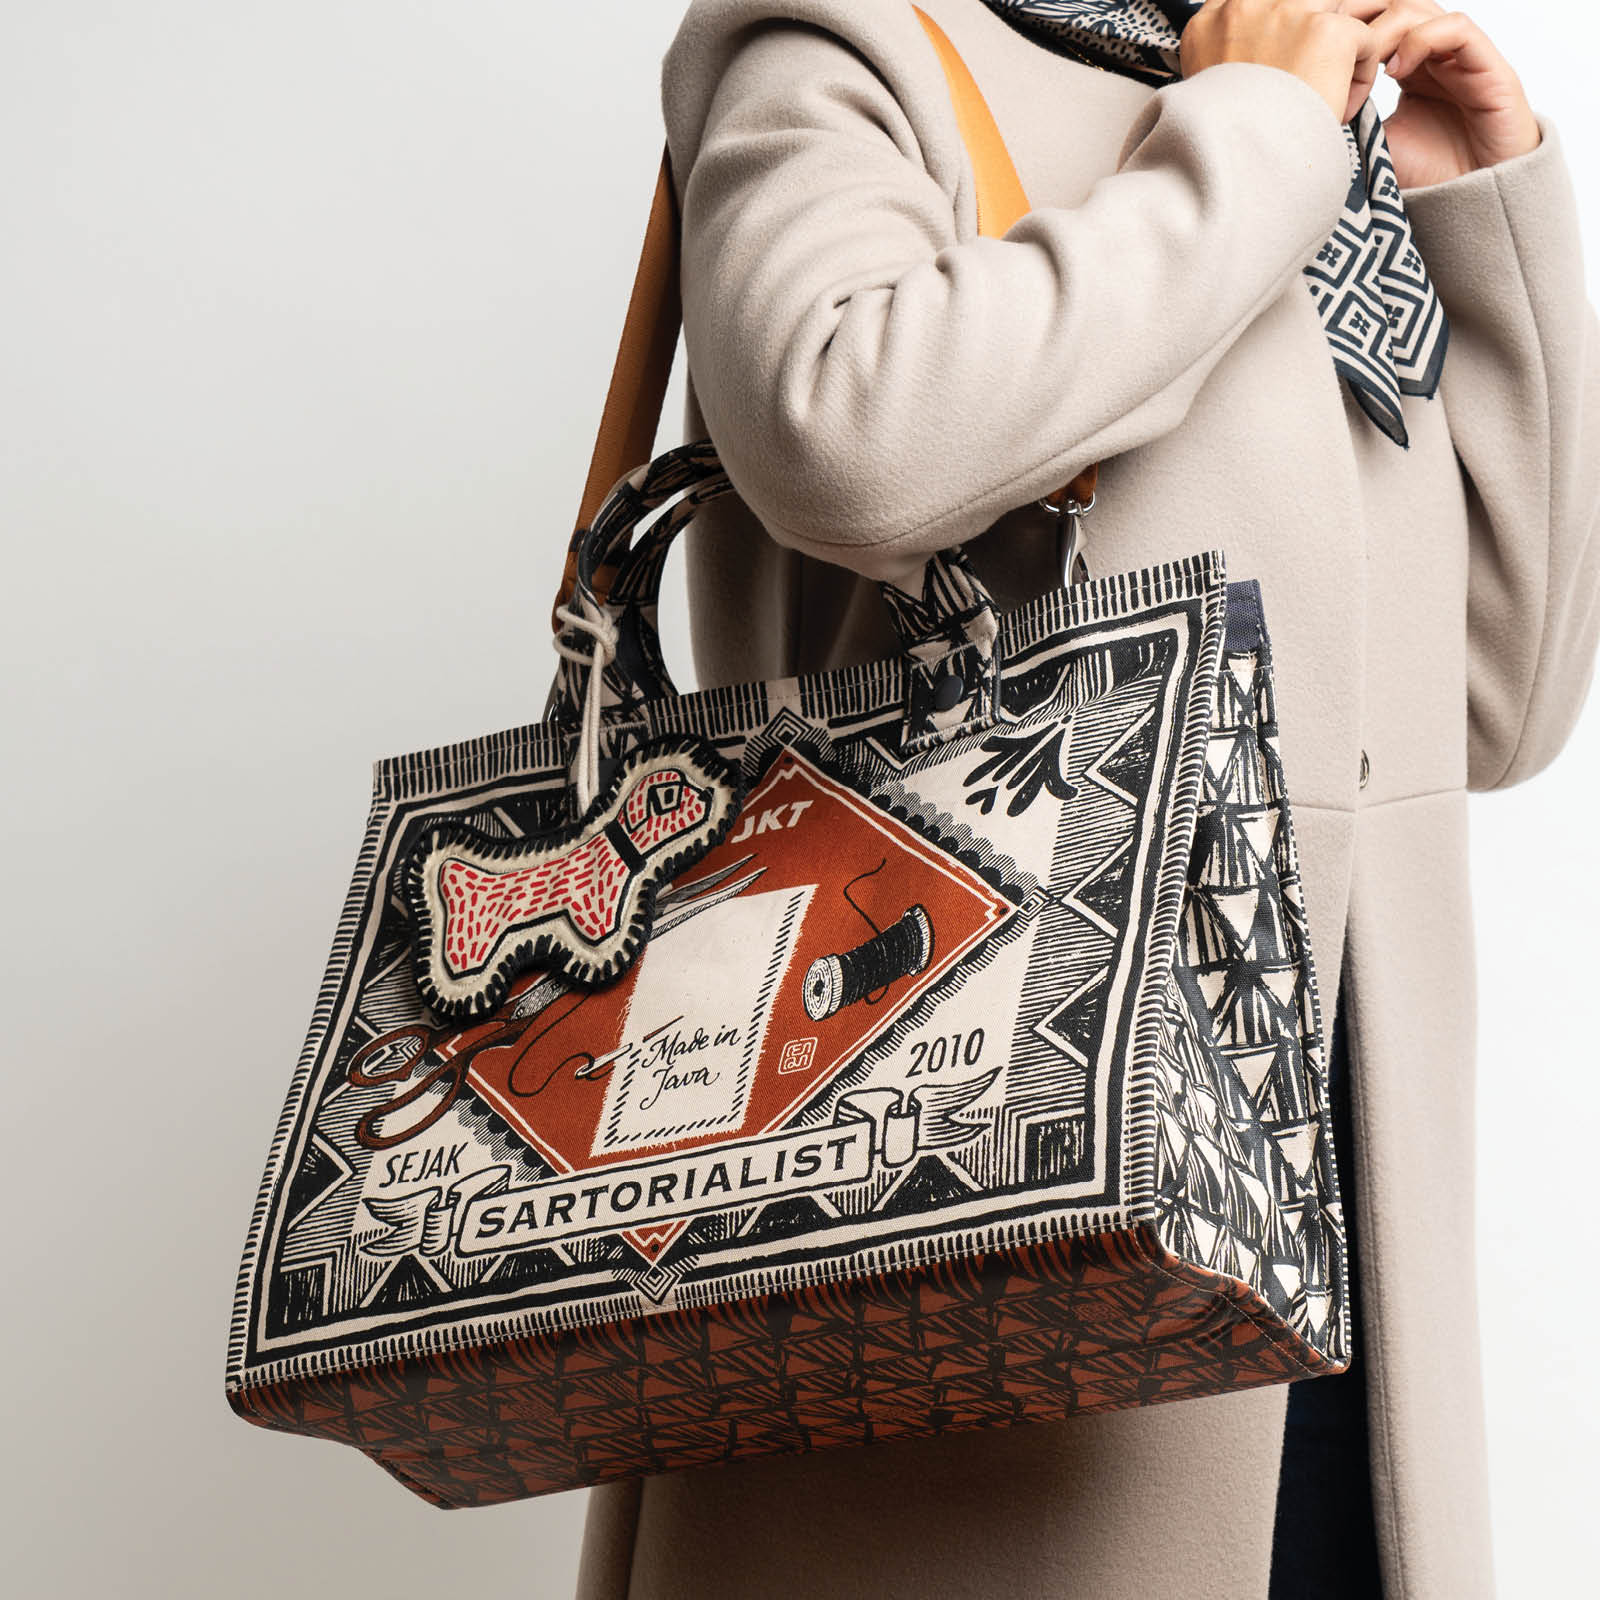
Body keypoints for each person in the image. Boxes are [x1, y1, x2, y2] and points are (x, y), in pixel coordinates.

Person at [576, 1, 1600, 1595]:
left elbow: (1498, 702)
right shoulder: (849, 46)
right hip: (977, 1281)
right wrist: (1252, 138)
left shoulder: (1301, 94)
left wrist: (1478, 204)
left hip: (1335, 1284)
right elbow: (846, 438)